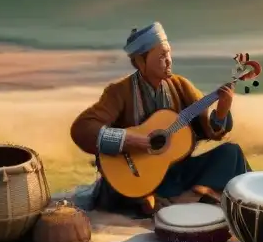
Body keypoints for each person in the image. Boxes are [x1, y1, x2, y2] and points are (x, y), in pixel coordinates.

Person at [70, 22, 250, 216]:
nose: (169, 60)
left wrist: (222, 112)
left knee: (232, 153)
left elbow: (209, 129)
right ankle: (176, 197)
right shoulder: (119, 92)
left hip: (175, 171)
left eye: (169, 53)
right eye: (162, 56)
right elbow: (83, 128)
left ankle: (176, 197)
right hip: (136, 175)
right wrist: (130, 140)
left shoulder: (180, 85)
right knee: (120, 189)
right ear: (140, 62)